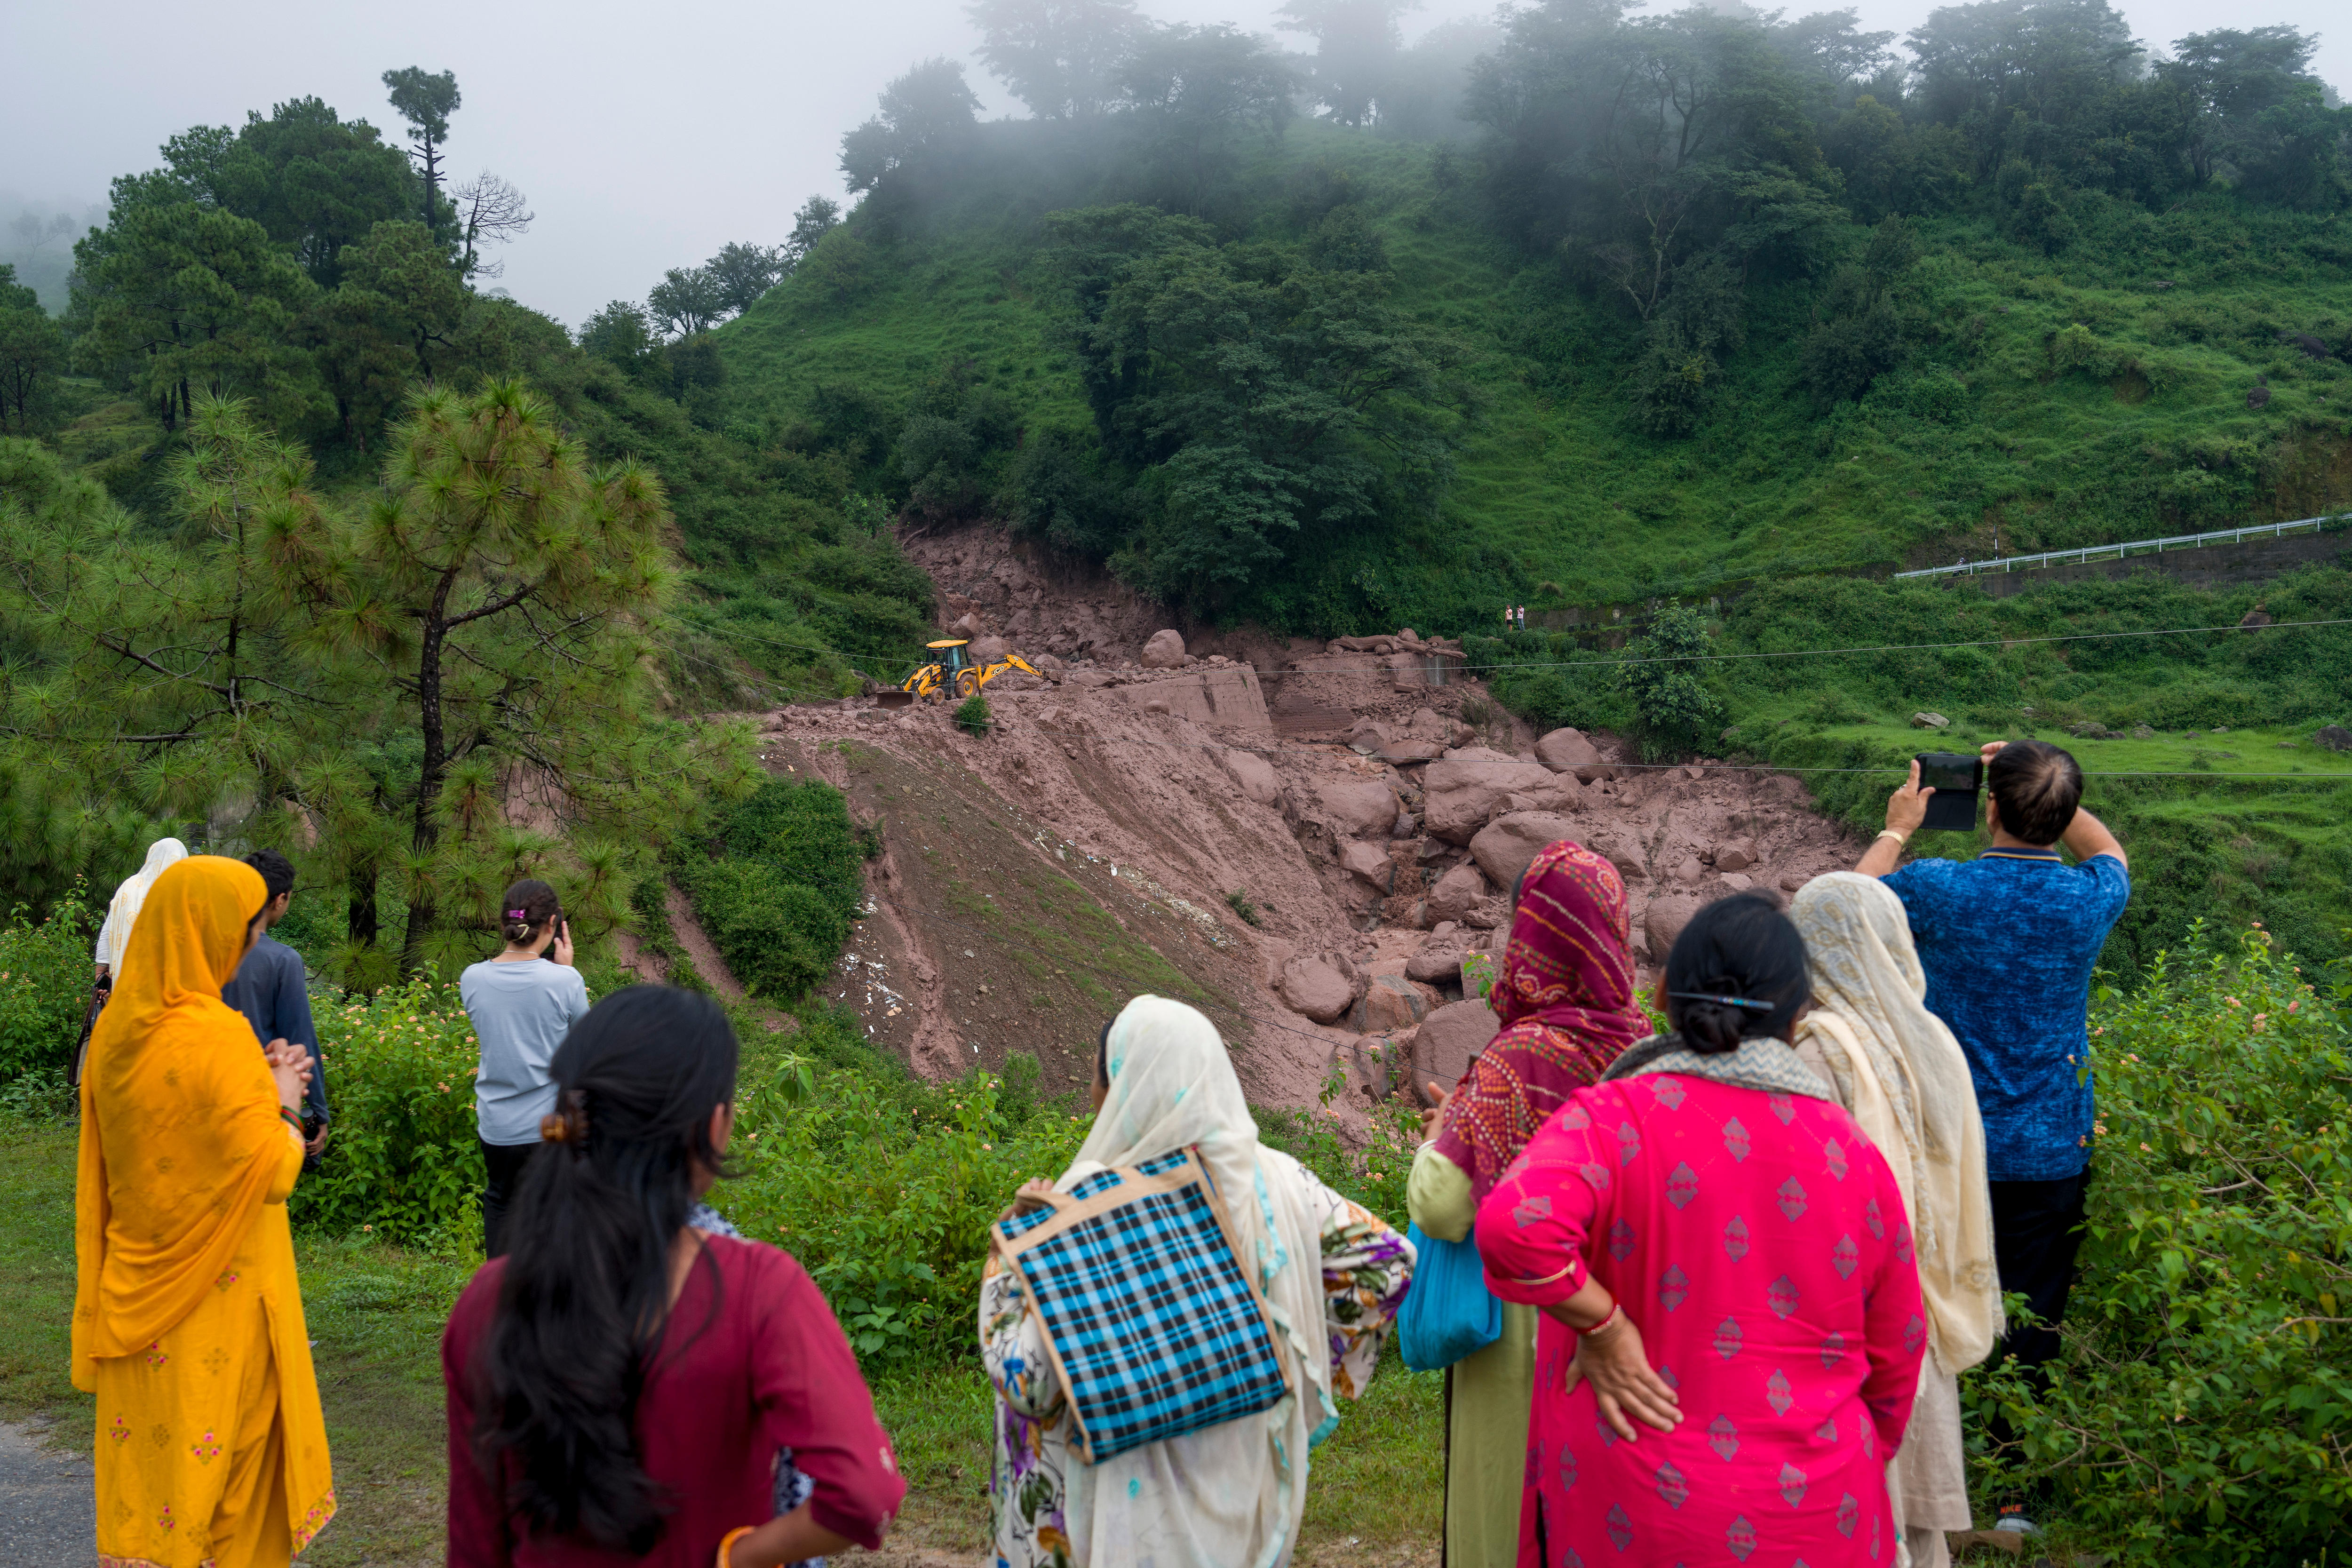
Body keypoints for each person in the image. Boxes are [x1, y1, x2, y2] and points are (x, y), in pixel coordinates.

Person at [1477, 893, 1927, 1565]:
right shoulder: (1854, 1154)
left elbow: (1517, 1226)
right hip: (1820, 1510)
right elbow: (1899, 1354)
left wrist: (1604, 1326)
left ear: (1665, 995)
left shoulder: (1611, 1119)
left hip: (1639, 1511)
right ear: (1799, 1012)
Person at [443, 986, 905, 1566]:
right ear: (714, 1127)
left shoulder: (488, 1300)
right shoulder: (758, 1289)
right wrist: (734, 1558)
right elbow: (866, 1497)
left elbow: (476, 1541)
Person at [980, 995, 1414, 1568]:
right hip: (1246, 1499)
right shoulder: (1280, 1180)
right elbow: (1388, 1263)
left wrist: (1008, 1258)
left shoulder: (1089, 1200)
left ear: (1120, 1088)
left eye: (1097, 1077)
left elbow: (1030, 1383)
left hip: (1116, 1523)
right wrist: (1294, 1353)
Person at [1855, 740, 2129, 1530]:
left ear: (1988, 807)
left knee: (1926, 1305)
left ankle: (1917, 1475)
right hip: (2049, 1149)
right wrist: (2047, 787)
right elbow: (2107, 848)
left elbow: (1843, 905)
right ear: (2059, 812)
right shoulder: (2088, 898)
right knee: (2032, 1317)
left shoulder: (1940, 887)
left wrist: (1900, 827)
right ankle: (2012, 1498)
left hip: (1946, 1142)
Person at [74, 855, 336, 1568]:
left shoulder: (116, 1034)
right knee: (226, 1482)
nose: (250, 943)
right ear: (213, 932)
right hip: (220, 1293)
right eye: (245, 928)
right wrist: (281, 1097)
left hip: (137, 1291)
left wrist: (259, 1080)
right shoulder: (216, 1034)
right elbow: (274, 1169)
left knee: (151, 1490)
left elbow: (180, 1134)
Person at [1408, 841, 1647, 1568]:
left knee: (1507, 1510)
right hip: (1621, 1312)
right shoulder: (1640, 1049)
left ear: (1531, 937)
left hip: (1524, 1326)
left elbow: (1445, 1207)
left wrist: (1444, 1136)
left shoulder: (1519, 1056)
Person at [1790, 874, 2004, 1568]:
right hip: (1927, 1308)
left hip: (1854, 1322)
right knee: (1915, 1531)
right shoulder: (1932, 1038)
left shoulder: (1815, 1054)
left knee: (1863, 1513)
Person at [463, 879, 589, 1257]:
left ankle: (501, 1296)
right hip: (549, 1128)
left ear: (504, 922)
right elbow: (585, 1049)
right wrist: (566, 970)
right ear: (552, 925)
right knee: (554, 1213)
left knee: (500, 1201)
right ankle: (549, 1302)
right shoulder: (565, 981)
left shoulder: (472, 978)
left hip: (496, 1125)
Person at [222, 849, 330, 1162]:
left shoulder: (204, 946)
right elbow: (300, 1039)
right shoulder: (283, 960)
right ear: (279, 899)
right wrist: (319, 1111)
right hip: (259, 1098)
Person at [93, 835, 189, 982]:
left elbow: (109, 929)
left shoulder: (130, 885)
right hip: (168, 981)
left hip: (127, 977)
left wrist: (101, 968)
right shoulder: (184, 893)